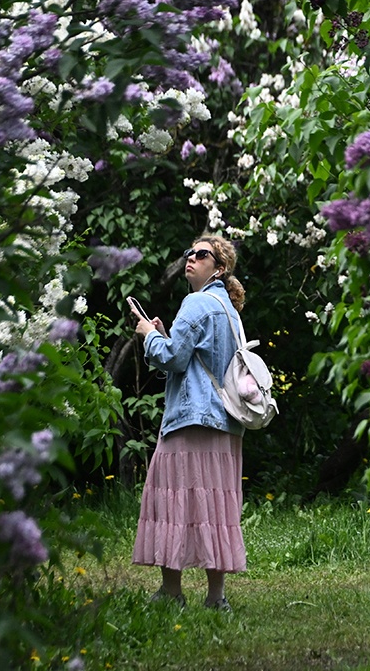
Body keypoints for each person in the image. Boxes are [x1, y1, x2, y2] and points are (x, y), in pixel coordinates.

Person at [129, 235, 248, 611]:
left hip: (190, 420)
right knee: (216, 506)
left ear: (220, 267)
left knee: (173, 500)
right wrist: (165, 336)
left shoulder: (195, 303)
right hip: (225, 422)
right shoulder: (229, 310)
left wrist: (150, 337)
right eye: (188, 253)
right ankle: (216, 598)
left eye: (202, 254)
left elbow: (175, 360)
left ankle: (171, 592)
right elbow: (197, 361)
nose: (191, 258)